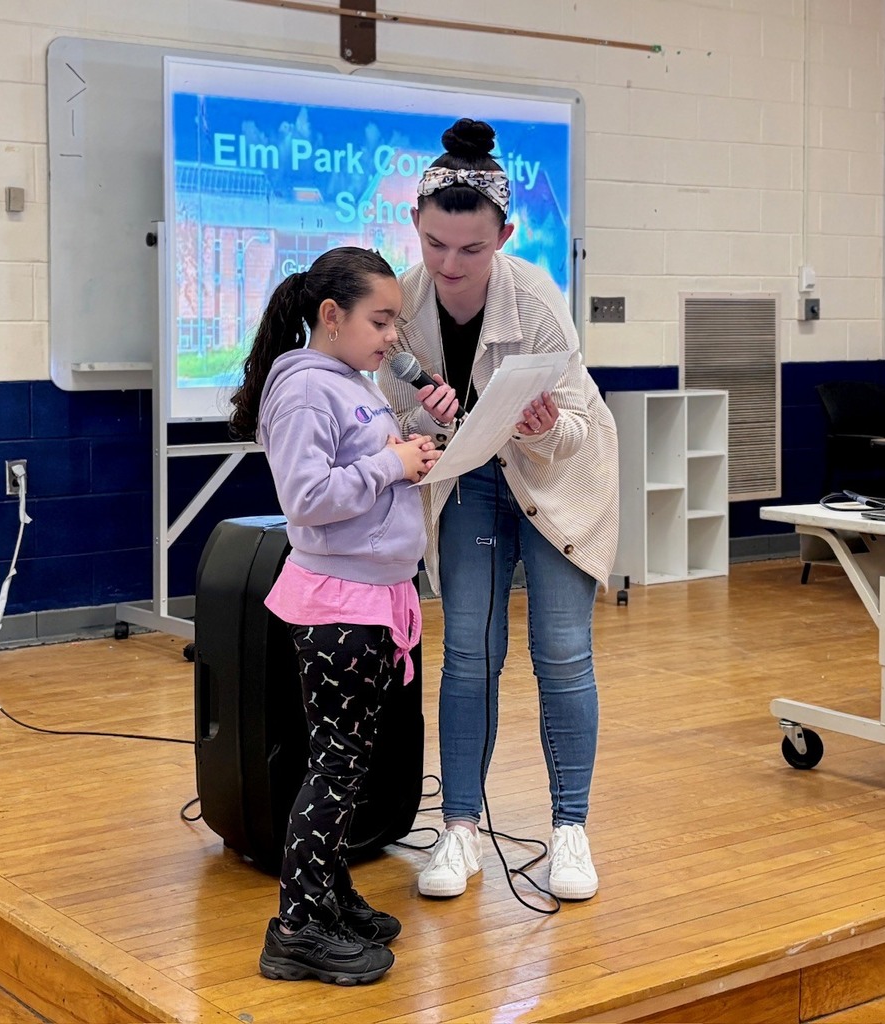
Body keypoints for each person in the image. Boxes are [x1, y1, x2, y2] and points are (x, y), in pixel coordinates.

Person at [377, 118, 620, 902]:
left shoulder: (539, 299)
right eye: (435, 244)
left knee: (562, 653)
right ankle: (458, 831)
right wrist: (425, 418)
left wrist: (544, 429)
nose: (449, 266)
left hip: (555, 482)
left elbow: (581, 425)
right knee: (471, 655)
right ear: (415, 224)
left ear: (505, 235)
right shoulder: (400, 305)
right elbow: (397, 420)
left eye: (471, 250)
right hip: (471, 478)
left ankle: (570, 832)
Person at [229, 246, 441, 985]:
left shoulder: (350, 383)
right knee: (337, 761)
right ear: (331, 315)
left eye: (396, 322)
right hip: (339, 604)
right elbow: (308, 500)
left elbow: (365, 472)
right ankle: (296, 926)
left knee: (350, 764)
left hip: (372, 598)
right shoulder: (304, 390)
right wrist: (393, 464)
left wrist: (411, 449)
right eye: (381, 320)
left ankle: (327, 891)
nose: (391, 337)